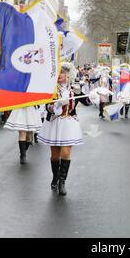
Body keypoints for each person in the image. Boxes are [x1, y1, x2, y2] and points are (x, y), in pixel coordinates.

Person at [38, 63, 83, 196]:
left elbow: (86, 101)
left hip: (68, 123)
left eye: (61, 73)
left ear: (67, 75)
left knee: (66, 153)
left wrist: (95, 97)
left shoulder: (73, 89)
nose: (59, 76)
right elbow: (47, 106)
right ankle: (55, 177)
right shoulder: (51, 90)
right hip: (54, 123)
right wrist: (55, 105)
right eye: (57, 74)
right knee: (55, 156)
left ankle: (62, 182)